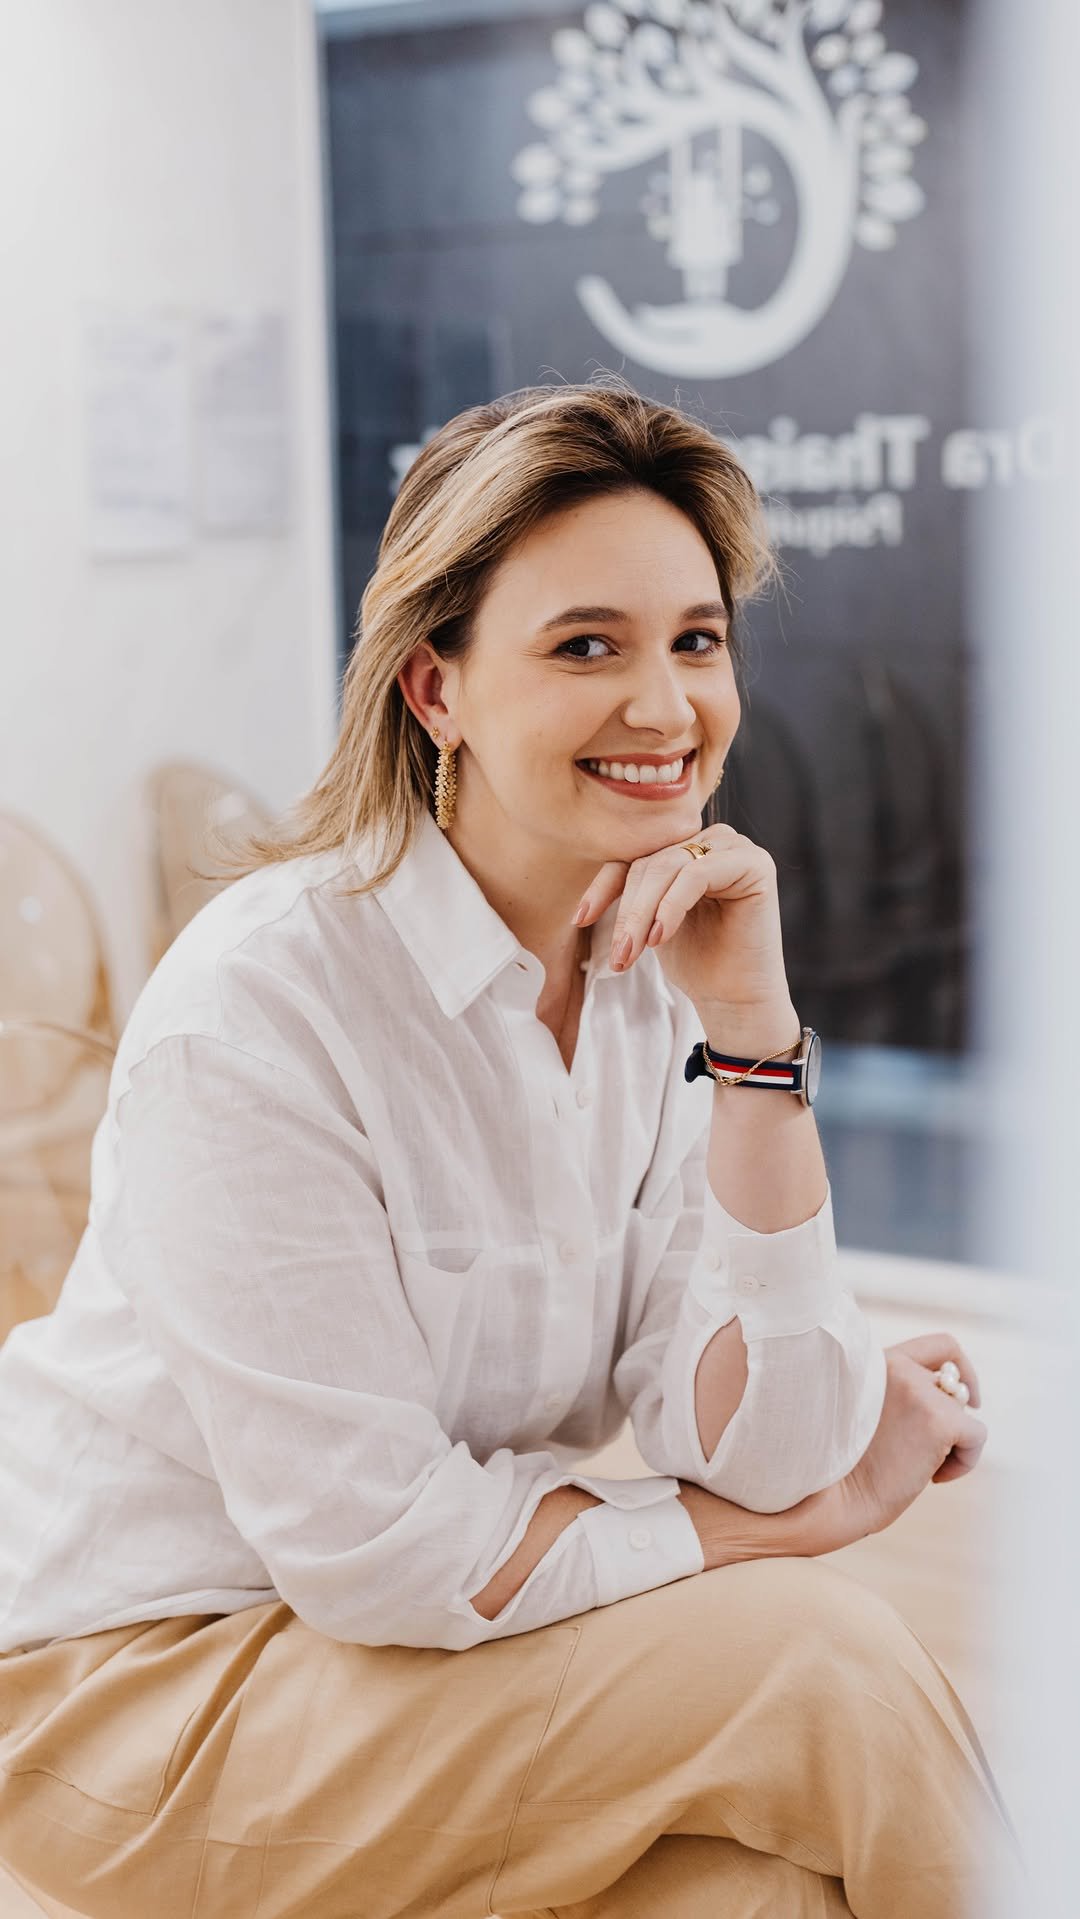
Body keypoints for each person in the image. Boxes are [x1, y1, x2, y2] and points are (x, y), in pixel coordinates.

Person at [0, 381, 1024, 1918]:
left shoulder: (652, 983)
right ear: (437, 691)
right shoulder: (261, 1009)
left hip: (404, 1657)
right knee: (816, 1658)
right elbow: (384, 1551)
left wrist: (754, 1038)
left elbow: (767, 1438)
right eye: (586, 647)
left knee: (755, 1900)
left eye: (697, 640)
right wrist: (777, 1531)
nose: (666, 708)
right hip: (140, 1693)